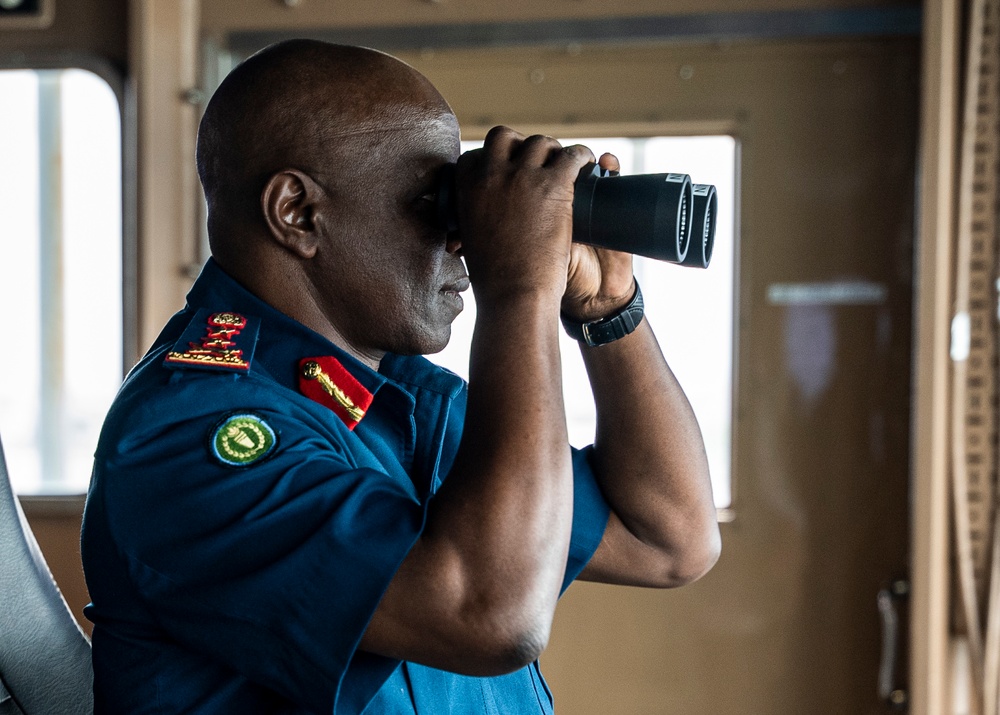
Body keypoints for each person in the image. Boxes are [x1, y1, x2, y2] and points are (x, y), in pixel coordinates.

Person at [81, 39, 720, 714]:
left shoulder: (399, 396)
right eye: (429, 203)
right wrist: (519, 289)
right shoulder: (188, 433)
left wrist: (605, 311)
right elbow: (491, 615)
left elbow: (670, 539)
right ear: (296, 212)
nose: (463, 238)